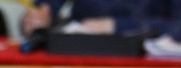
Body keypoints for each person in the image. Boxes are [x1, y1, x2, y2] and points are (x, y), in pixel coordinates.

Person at [22, 0, 181, 39]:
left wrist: (116, 26)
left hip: (149, 67)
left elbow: (177, 27)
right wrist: (36, 20)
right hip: (81, 59)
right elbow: (46, 7)